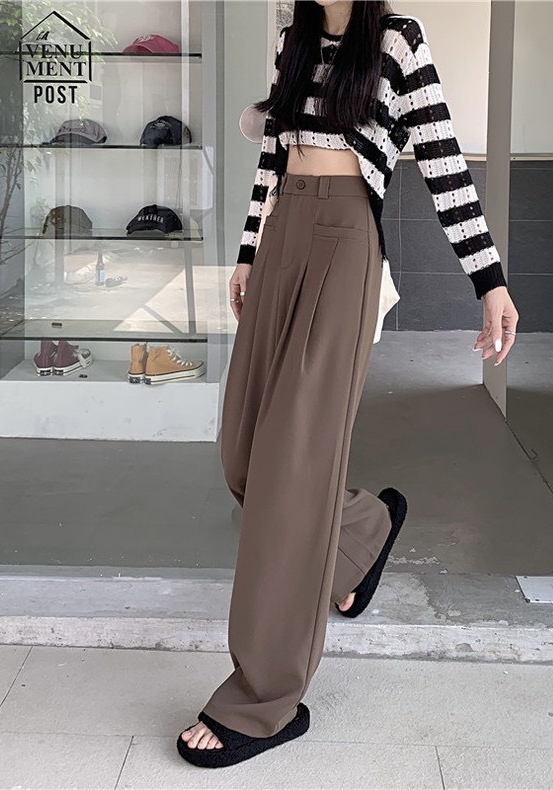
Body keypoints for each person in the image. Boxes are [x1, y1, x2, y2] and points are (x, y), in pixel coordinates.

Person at [177, 0, 519, 769]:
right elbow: (274, 154)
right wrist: (248, 250)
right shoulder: (294, 39)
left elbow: (443, 162)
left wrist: (489, 282)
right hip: (284, 237)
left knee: (292, 469)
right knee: (244, 456)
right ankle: (363, 527)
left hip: (344, 243)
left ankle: (263, 698)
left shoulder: (396, 39)